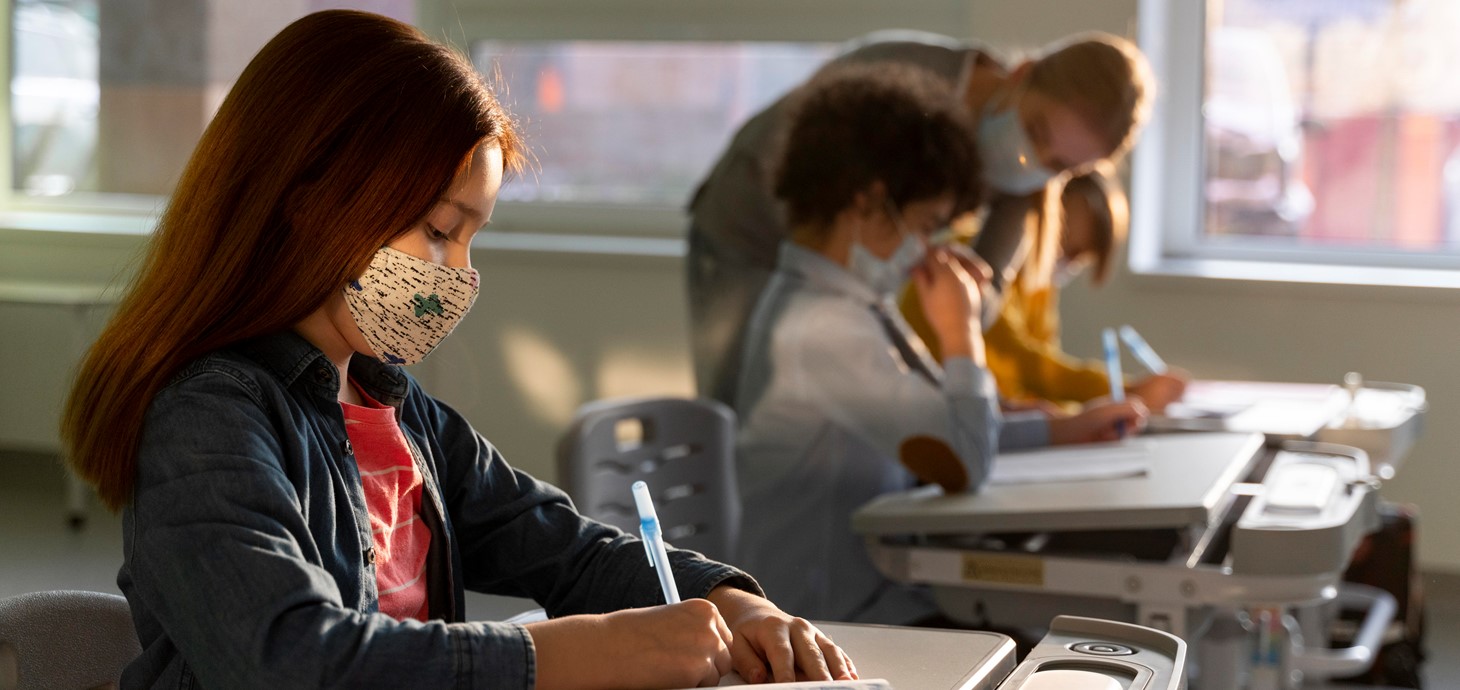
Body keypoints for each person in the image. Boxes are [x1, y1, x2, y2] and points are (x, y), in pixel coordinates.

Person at [59, 11, 854, 689]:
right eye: (440, 230)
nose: (460, 274)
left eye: (471, 239)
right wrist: (570, 654)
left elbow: (571, 555)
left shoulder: (402, 415)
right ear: (310, 203)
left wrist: (730, 599)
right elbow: (290, 659)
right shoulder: (209, 417)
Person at [733, 63, 1147, 626]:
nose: (927, 247)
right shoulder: (821, 328)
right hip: (831, 619)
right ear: (869, 204)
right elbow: (963, 458)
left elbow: (945, 424)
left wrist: (1063, 428)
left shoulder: (856, 307)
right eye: (926, 224)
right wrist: (961, 332)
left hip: (875, 597)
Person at [688, 30, 1153, 410]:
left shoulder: (1027, 182)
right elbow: (802, 178)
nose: (1033, 162)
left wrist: (963, 328)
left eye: (1061, 167)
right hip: (747, 230)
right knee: (739, 408)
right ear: (1022, 73)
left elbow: (980, 297)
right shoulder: (902, 79)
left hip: (834, 278)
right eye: (1036, 132)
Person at [906, 166, 1189, 411]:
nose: (1071, 262)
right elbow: (1027, 364)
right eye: (1071, 247)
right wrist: (1128, 392)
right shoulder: (970, 260)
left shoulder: (1039, 282)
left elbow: (1039, 380)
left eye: (1081, 257)